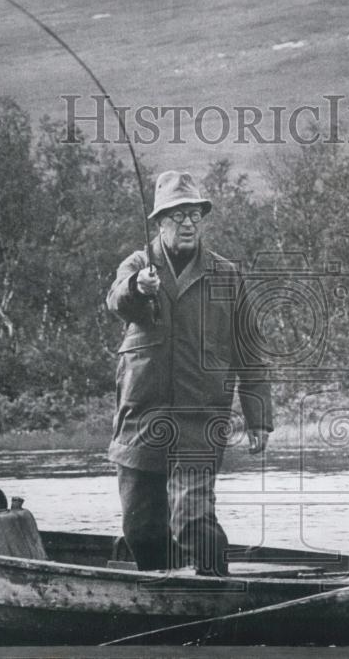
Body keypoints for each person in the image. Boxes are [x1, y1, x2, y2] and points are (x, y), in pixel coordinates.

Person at [106, 169, 273, 576]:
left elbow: (250, 350)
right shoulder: (138, 265)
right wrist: (137, 287)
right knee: (141, 527)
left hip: (199, 420)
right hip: (140, 418)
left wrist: (258, 417)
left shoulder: (226, 275)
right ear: (159, 223)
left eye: (194, 215)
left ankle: (218, 588)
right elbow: (116, 301)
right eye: (177, 215)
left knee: (192, 521)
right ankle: (158, 597)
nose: (187, 223)